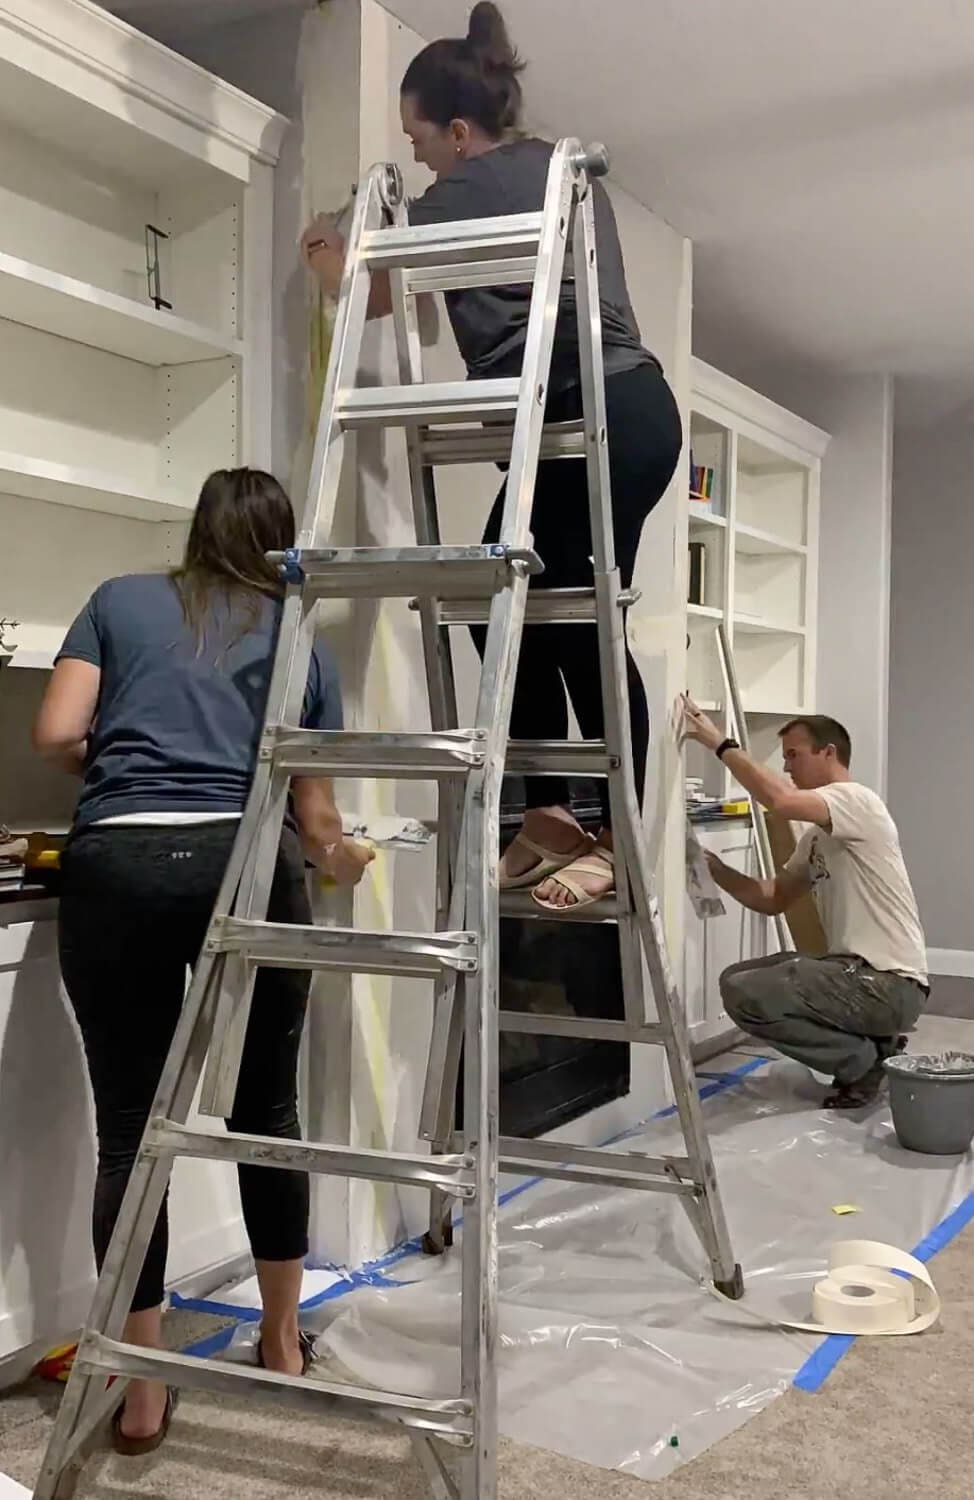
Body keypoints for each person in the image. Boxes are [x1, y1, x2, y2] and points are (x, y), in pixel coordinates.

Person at [301, 1, 683, 914]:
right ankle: (552, 815)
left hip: (594, 416)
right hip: (622, 414)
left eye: (420, 139)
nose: (421, 157)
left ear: (460, 132)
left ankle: (612, 836)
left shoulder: (472, 184)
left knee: (569, 617)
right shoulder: (556, 172)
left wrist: (323, 246)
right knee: (520, 605)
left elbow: (368, 291)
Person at [32, 468, 373, 1455]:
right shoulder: (300, 635)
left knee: (129, 1135)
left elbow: (54, 733)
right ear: (282, 539)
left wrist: (128, 756)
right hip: (245, 862)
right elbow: (316, 820)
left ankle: (141, 1389)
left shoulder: (119, 600)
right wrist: (345, 858)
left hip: (119, 862)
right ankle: (281, 1342)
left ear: (197, 530)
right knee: (268, 1111)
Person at [681, 700, 928, 1110]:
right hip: (854, 975)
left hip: (888, 984)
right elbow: (774, 898)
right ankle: (878, 1045)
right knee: (736, 980)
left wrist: (718, 743)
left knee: (746, 991)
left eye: (794, 755)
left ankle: (861, 1063)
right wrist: (717, 869)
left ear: (828, 753)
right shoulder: (816, 837)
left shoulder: (857, 800)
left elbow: (780, 801)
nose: (787, 767)